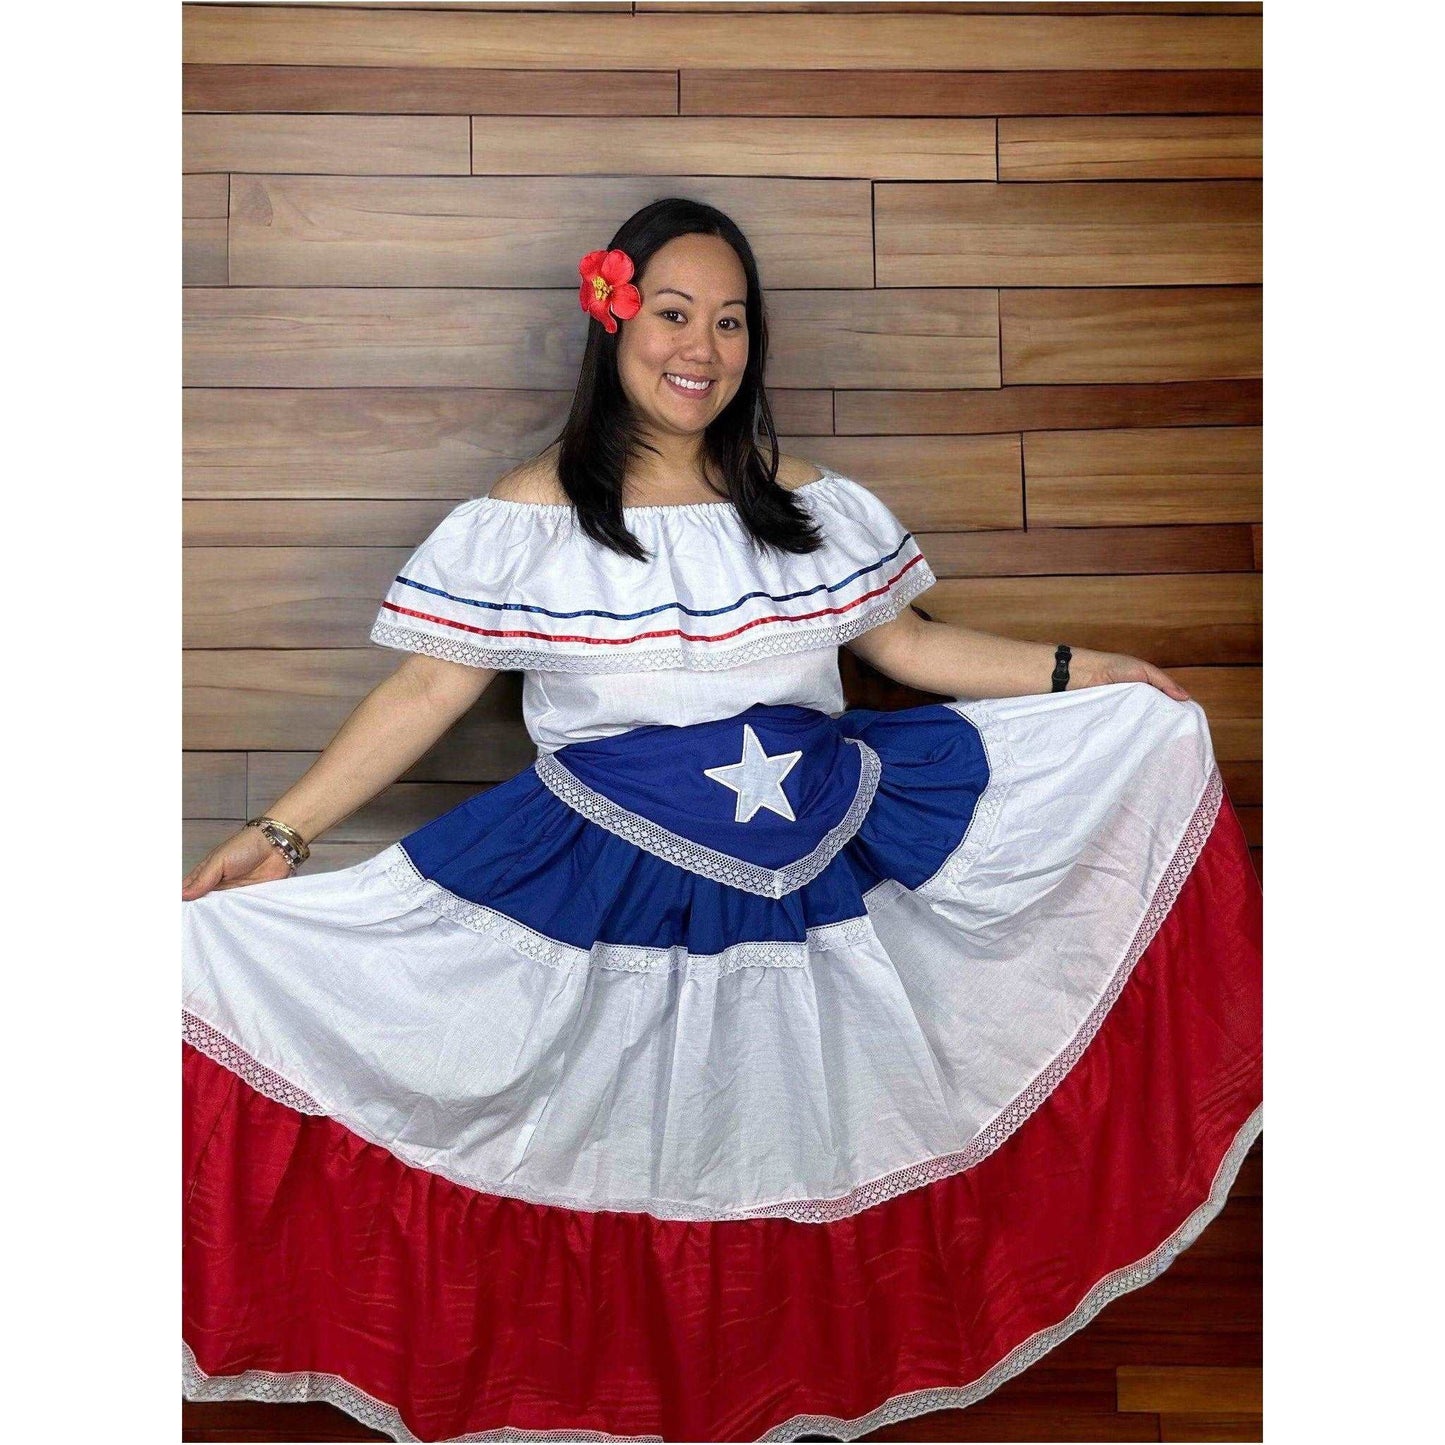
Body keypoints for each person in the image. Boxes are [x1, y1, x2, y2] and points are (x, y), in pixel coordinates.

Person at [182, 198, 1262, 1443]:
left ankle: (792, 1394)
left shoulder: (801, 502)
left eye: (731, 321)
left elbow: (903, 646)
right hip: (600, 887)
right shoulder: (528, 517)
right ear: (614, 313)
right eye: (673, 312)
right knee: (638, 1155)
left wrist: (1088, 672)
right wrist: (281, 834)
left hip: (825, 862)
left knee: (805, 1135)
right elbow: (430, 685)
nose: (701, 346)